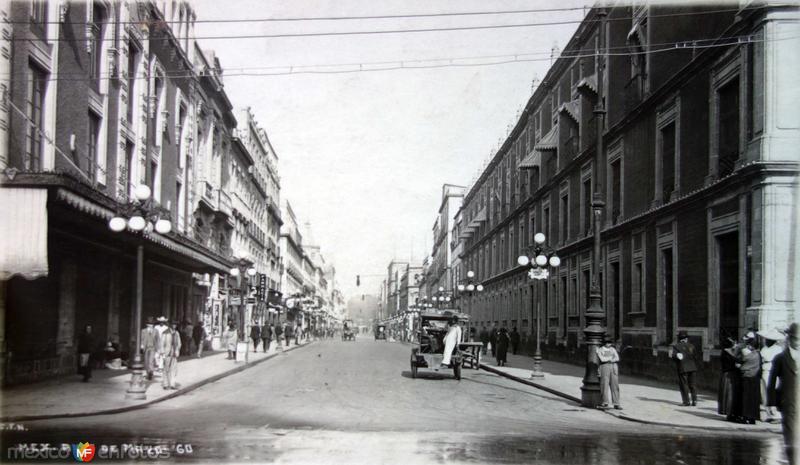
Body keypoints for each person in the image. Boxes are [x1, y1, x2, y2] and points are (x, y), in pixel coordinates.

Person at [768, 323, 798, 465]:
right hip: (788, 402)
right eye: (796, 339)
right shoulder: (780, 358)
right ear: (790, 339)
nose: (798, 342)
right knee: (791, 437)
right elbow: (772, 381)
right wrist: (771, 403)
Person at [758, 328, 784, 423]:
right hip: (764, 370)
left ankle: (777, 415)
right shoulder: (764, 348)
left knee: (773, 392)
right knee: (764, 393)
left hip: (772, 371)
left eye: (768, 340)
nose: (766, 341)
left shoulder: (778, 349)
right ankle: (769, 414)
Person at [737, 332, 762, 424]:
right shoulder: (759, 355)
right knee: (754, 399)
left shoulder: (748, 355)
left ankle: (745, 417)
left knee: (746, 398)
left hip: (747, 377)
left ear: (751, 346)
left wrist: (740, 367)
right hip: (755, 378)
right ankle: (753, 418)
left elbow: (741, 364)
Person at [671, 330, 699, 406]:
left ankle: (686, 401)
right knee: (693, 384)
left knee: (684, 385)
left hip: (682, 368)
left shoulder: (676, 346)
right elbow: (696, 357)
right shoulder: (691, 346)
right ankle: (694, 400)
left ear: (679, 338)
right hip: (692, 368)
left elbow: (674, 356)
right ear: (686, 338)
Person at [596, 335, 622, 410]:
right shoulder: (600, 349)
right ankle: (605, 402)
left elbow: (617, 358)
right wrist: (611, 358)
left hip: (613, 367)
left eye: (610, 342)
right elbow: (602, 359)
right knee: (604, 385)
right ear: (604, 343)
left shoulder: (613, 349)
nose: (608, 344)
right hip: (604, 367)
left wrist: (611, 359)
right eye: (607, 342)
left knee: (615, 385)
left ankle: (616, 403)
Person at [718, 336, 740, 420]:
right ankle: (730, 413)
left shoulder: (725, 352)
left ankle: (729, 412)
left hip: (726, 374)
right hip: (730, 375)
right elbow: (735, 362)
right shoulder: (728, 353)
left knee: (727, 394)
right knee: (730, 394)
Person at [160, 321, 182, 390]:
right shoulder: (165, 333)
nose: (174, 325)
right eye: (173, 324)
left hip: (174, 353)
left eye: (175, 324)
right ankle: (165, 384)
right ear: (170, 325)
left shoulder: (177, 333)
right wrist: (162, 353)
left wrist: (177, 350)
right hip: (167, 352)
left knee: (174, 369)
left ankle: (172, 384)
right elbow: (162, 344)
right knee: (166, 369)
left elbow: (179, 343)